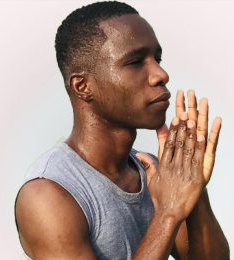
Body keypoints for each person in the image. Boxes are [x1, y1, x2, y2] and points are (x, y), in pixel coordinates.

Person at [14, 1, 229, 259]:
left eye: (157, 59)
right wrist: (168, 213)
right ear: (83, 86)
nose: (161, 74)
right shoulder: (47, 195)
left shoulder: (155, 175)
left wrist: (193, 186)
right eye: (136, 62)